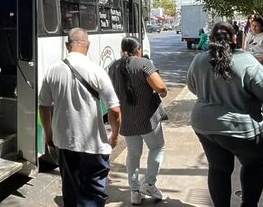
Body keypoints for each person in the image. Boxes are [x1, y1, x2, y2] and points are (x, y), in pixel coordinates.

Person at [187, 22, 263, 207]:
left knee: (218, 168)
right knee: (254, 166)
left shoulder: (199, 60)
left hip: (204, 126)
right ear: (235, 38)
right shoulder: (247, 60)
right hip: (242, 129)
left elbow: (192, 86)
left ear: (211, 39)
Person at [38, 27, 121, 207]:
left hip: (65, 144)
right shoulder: (96, 70)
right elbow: (114, 109)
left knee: (71, 192)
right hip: (93, 146)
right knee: (93, 194)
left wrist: (49, 135)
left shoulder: (53, 70)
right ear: (88, 45)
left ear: (67, 45)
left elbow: (43, 107)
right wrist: (114, 135)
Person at [108, 37, 167, 205]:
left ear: (122, 49)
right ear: (138, 49)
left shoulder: (113, 67)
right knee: (157, 147)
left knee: (133, 154)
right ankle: (149, 183)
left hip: (127, 120)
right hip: (148, 119)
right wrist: (162, 93)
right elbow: (161, 87)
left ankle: (134, 191)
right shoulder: (144, 64)